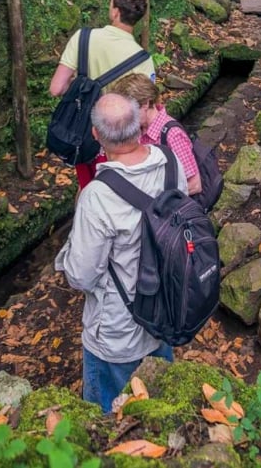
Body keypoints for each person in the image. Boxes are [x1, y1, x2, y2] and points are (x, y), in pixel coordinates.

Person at [55, 94, 187, 413]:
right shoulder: (171, 163)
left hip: (119, 331)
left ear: (96, 136)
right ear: (138, 126)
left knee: (108, 416)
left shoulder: (98, 195)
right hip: (166, 311)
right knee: (160, 403)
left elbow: (81, 275)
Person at [49, 0, 156, 189]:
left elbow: (56, 88)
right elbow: (143, 112)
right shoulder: (143, 60)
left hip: (84, 136)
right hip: (119, 143)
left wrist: (82, 86)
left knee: (88, 189)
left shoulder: (83, 37)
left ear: (115, 11)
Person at [110, 73, 201, 196]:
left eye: (129, 112)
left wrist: (151, 201)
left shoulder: (172, 135)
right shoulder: (137, 131)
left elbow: (194, 185)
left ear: (145, 104)